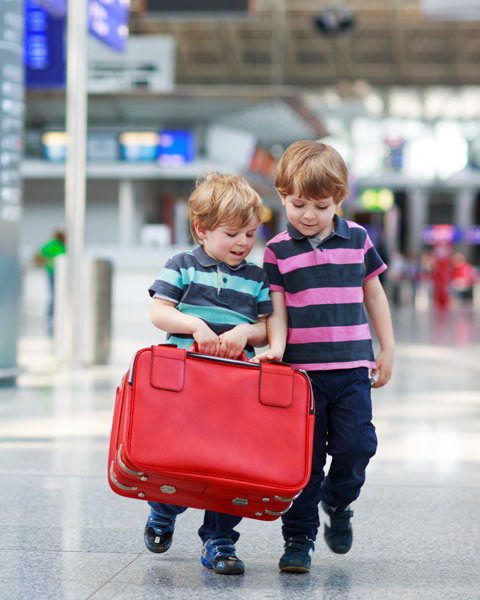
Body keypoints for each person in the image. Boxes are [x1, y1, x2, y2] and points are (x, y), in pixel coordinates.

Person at [254, 141, 395, 574]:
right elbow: (276, 306)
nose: (309, 215)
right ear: (281, 196)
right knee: (304, 464)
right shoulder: (277, 250)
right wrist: (274, 351)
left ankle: (339, 501)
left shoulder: (357, 239)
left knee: (357, 446)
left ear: (340, 198)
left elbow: (373, 292)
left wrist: (387, 347)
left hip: (352, 368)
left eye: (321, 204)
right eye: (298, 204)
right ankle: (298, 540)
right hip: (301, 376)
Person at [145, 172, 273, 575]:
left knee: (230, 467)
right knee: (180, 459)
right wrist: (195, 325)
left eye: (250, 234)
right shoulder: (181, 265)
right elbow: (158, 311)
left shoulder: (255, 278)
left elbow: (268, 326)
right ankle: (164, 509)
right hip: (185, 387)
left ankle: (219, 539)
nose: (242, 243)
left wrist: (244, 332)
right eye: (232, 233)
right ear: (201, 229)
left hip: (235, 389)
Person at [34, 229, 66, 327]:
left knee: (60, 295)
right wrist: (49, 261)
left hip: (63, 274)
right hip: (53, 273)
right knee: (54, 295)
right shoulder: (52, 245)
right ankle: (50, 317)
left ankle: (58, 315)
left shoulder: (62, 245)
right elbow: (38, 257)